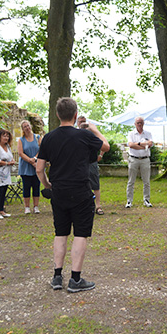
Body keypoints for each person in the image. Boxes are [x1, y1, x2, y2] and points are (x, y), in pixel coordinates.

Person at [36, 98, 109, 293]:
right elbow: (106, 147)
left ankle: (57, 277)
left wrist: (48, 185)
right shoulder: (83, 136)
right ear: (75, 115)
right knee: (80, 234)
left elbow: (39, 168)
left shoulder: (48, 138)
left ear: (57, 115)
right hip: (81, 192)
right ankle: (75, 279)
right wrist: (92, 128)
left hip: (59, 191)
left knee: (60, 233)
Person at [77, 116, 105, 215]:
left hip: (92, 162)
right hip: (80, 164)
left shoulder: (92, 134)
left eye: (84, 122)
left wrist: (100, 155)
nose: (82, 124)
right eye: (80, 122)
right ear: (77, 123)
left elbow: (104, 144)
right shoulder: (75, 134)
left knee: (95, 184)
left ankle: (98, 206)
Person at [126, 116, 154, 208]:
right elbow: (131, 145)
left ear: (143, 123)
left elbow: (150, 144)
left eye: (141, 122)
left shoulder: (148, 133)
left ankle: (146, 199)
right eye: (138, 122)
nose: (139, 124)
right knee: (131, 181)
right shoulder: (131, 134)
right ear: (135, 124)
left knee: (146, 181)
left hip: (145, 159)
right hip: (134, 159)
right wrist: (142, 145)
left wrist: (137, 144)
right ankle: (129, 201)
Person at [0, 129, 16, 219]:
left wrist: (12, 161)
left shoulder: (7, 147)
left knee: (4, 191)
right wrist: (7, 163)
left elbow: (10, 157)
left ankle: (1, 210)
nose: (6, 138)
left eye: (7, 136)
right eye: (4, 136)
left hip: (6, 172)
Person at [18, 120, 41, 215]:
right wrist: (30, 160)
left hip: (37, 165)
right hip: (25, 166)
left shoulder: (37, 137)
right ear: (22, 129)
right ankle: (27, 207)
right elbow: (20, 153)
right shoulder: (21, 140)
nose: (27, 128)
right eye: (24, 127)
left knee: (36, 186)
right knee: (26, 186)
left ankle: (36, 206)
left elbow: (41, 149)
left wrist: (35, 159)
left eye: (28, 125)